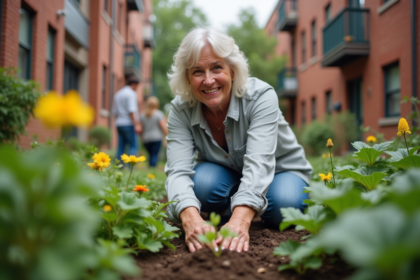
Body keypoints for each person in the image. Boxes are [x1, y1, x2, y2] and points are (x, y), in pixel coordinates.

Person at [165, 28, 313, 254]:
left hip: (281, 171)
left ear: (232, 71)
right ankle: (239, 204)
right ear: (187, 77)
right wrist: (190, 218)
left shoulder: (261, 96)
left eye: (217, 67)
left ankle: (243, 207)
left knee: (283, 206)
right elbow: (177, 172)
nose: (208, 80)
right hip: (226, 173)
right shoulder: (180, 109)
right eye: (197, 71)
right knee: (202, 187)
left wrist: (241, 220)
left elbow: (259, 163)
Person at [112, 76, 142, 162]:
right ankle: (131, 168)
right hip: (128, 124)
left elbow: (114, 112)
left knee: (121, 147)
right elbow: (131, 111)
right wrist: (137, 125)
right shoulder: (131, 94)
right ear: (134, 85)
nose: (137, 89)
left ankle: (118, 166)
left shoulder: (118, 94)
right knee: (133, 146)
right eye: (137, 86)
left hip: (119, 124)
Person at [140, 96, 168, 168]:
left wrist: (142, 138)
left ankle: (150, 168)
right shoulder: (158, 114)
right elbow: (164, 127)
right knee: (154, 154)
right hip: (156, 138)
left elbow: (141, 129)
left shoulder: (142, 115)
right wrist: (167, 136)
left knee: (151, 154)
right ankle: (152, 169)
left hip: (146, 139)